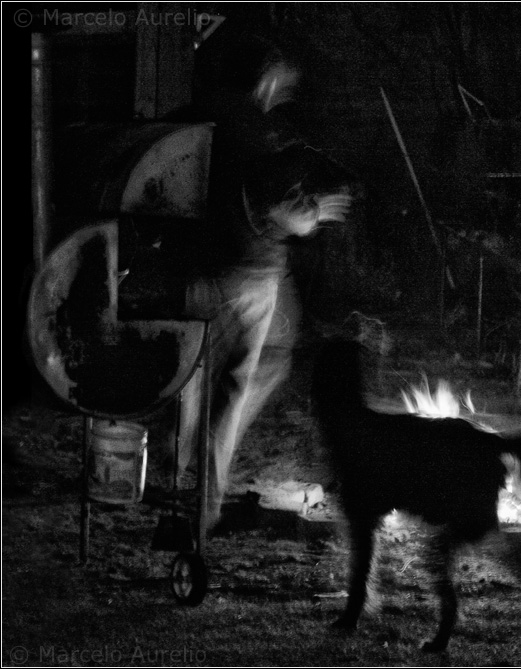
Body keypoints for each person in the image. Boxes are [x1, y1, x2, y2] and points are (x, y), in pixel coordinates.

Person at [173, 38, 355, 529]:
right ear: (268, 76)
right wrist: (319, 212)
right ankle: (204, 504)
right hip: (250, 276)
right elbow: (278, 207)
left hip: (197, 271)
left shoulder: (194, 115)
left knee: (190, 374)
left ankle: (173, 469)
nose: (289, 91)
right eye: (285, 82)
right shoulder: (262, 134)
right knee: (232, 389)